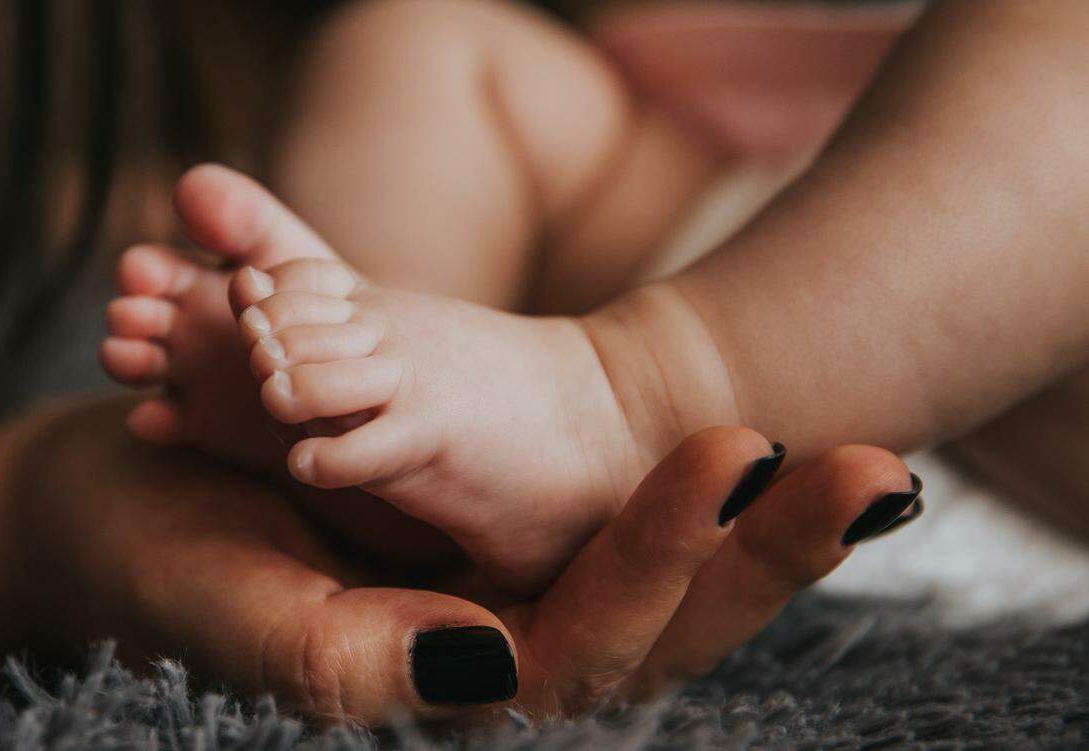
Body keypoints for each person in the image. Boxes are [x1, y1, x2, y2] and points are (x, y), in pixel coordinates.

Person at [100, 0, 1087, 600]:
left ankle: (625, 401)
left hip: (1020, 392)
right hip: (757, 225)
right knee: (427, 42)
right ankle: (391, 406)